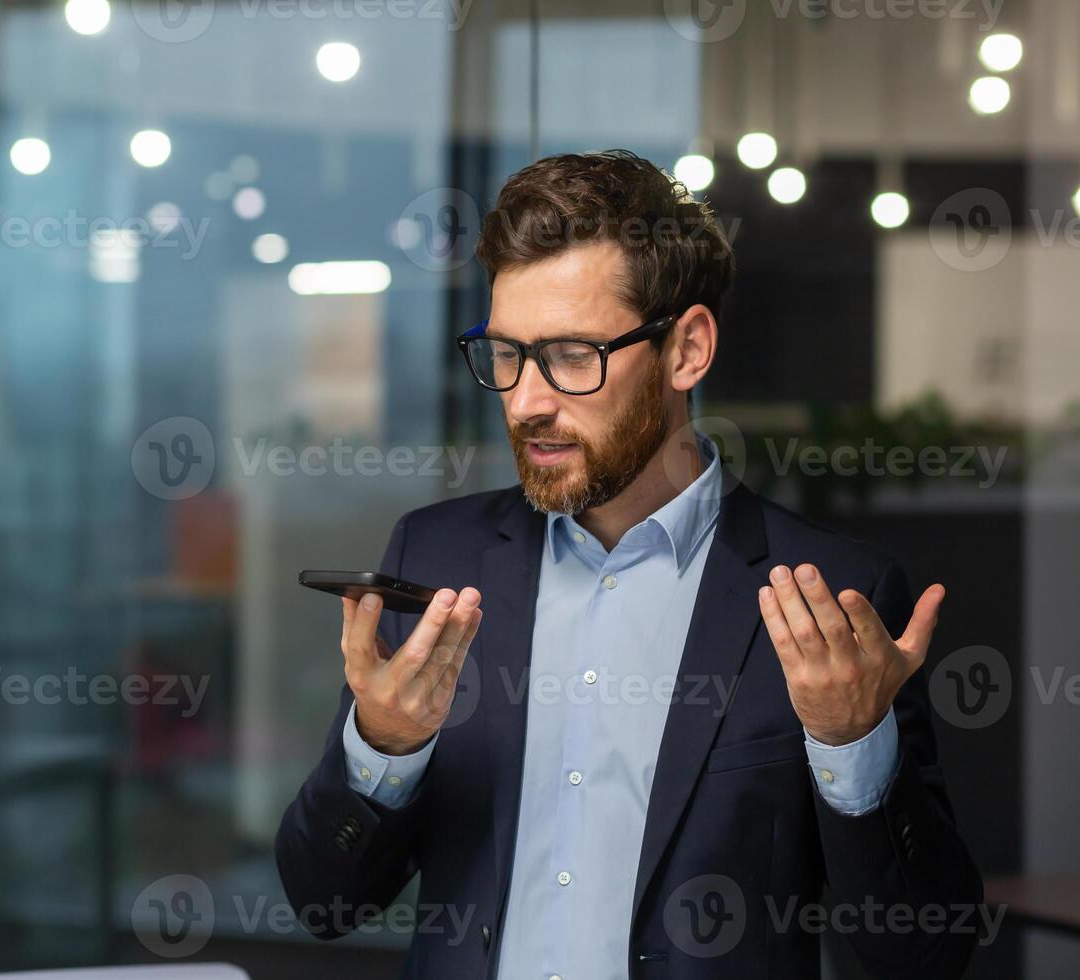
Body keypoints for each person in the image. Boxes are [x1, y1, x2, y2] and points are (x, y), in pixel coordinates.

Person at [276, 149, 983, 979]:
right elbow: (324, 902)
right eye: (505, 354)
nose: (527, 400)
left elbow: (925, 955)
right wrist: (381, 750)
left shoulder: (830, 598)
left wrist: (853, 745)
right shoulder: (435, 559)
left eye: (573, 355)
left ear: (687, 350)